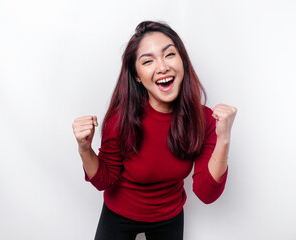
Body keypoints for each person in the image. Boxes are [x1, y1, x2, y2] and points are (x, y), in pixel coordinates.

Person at [72, 21, 237, 240]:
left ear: (183, 62)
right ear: (138, 76)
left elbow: (206, 193)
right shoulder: (120, 119)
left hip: (169, 216)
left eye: (169, 55)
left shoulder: (204, 119)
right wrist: (85, 149)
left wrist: (223, 138)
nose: (162, 67)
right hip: (119, 213)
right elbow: (104, 180)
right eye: (148, 61)